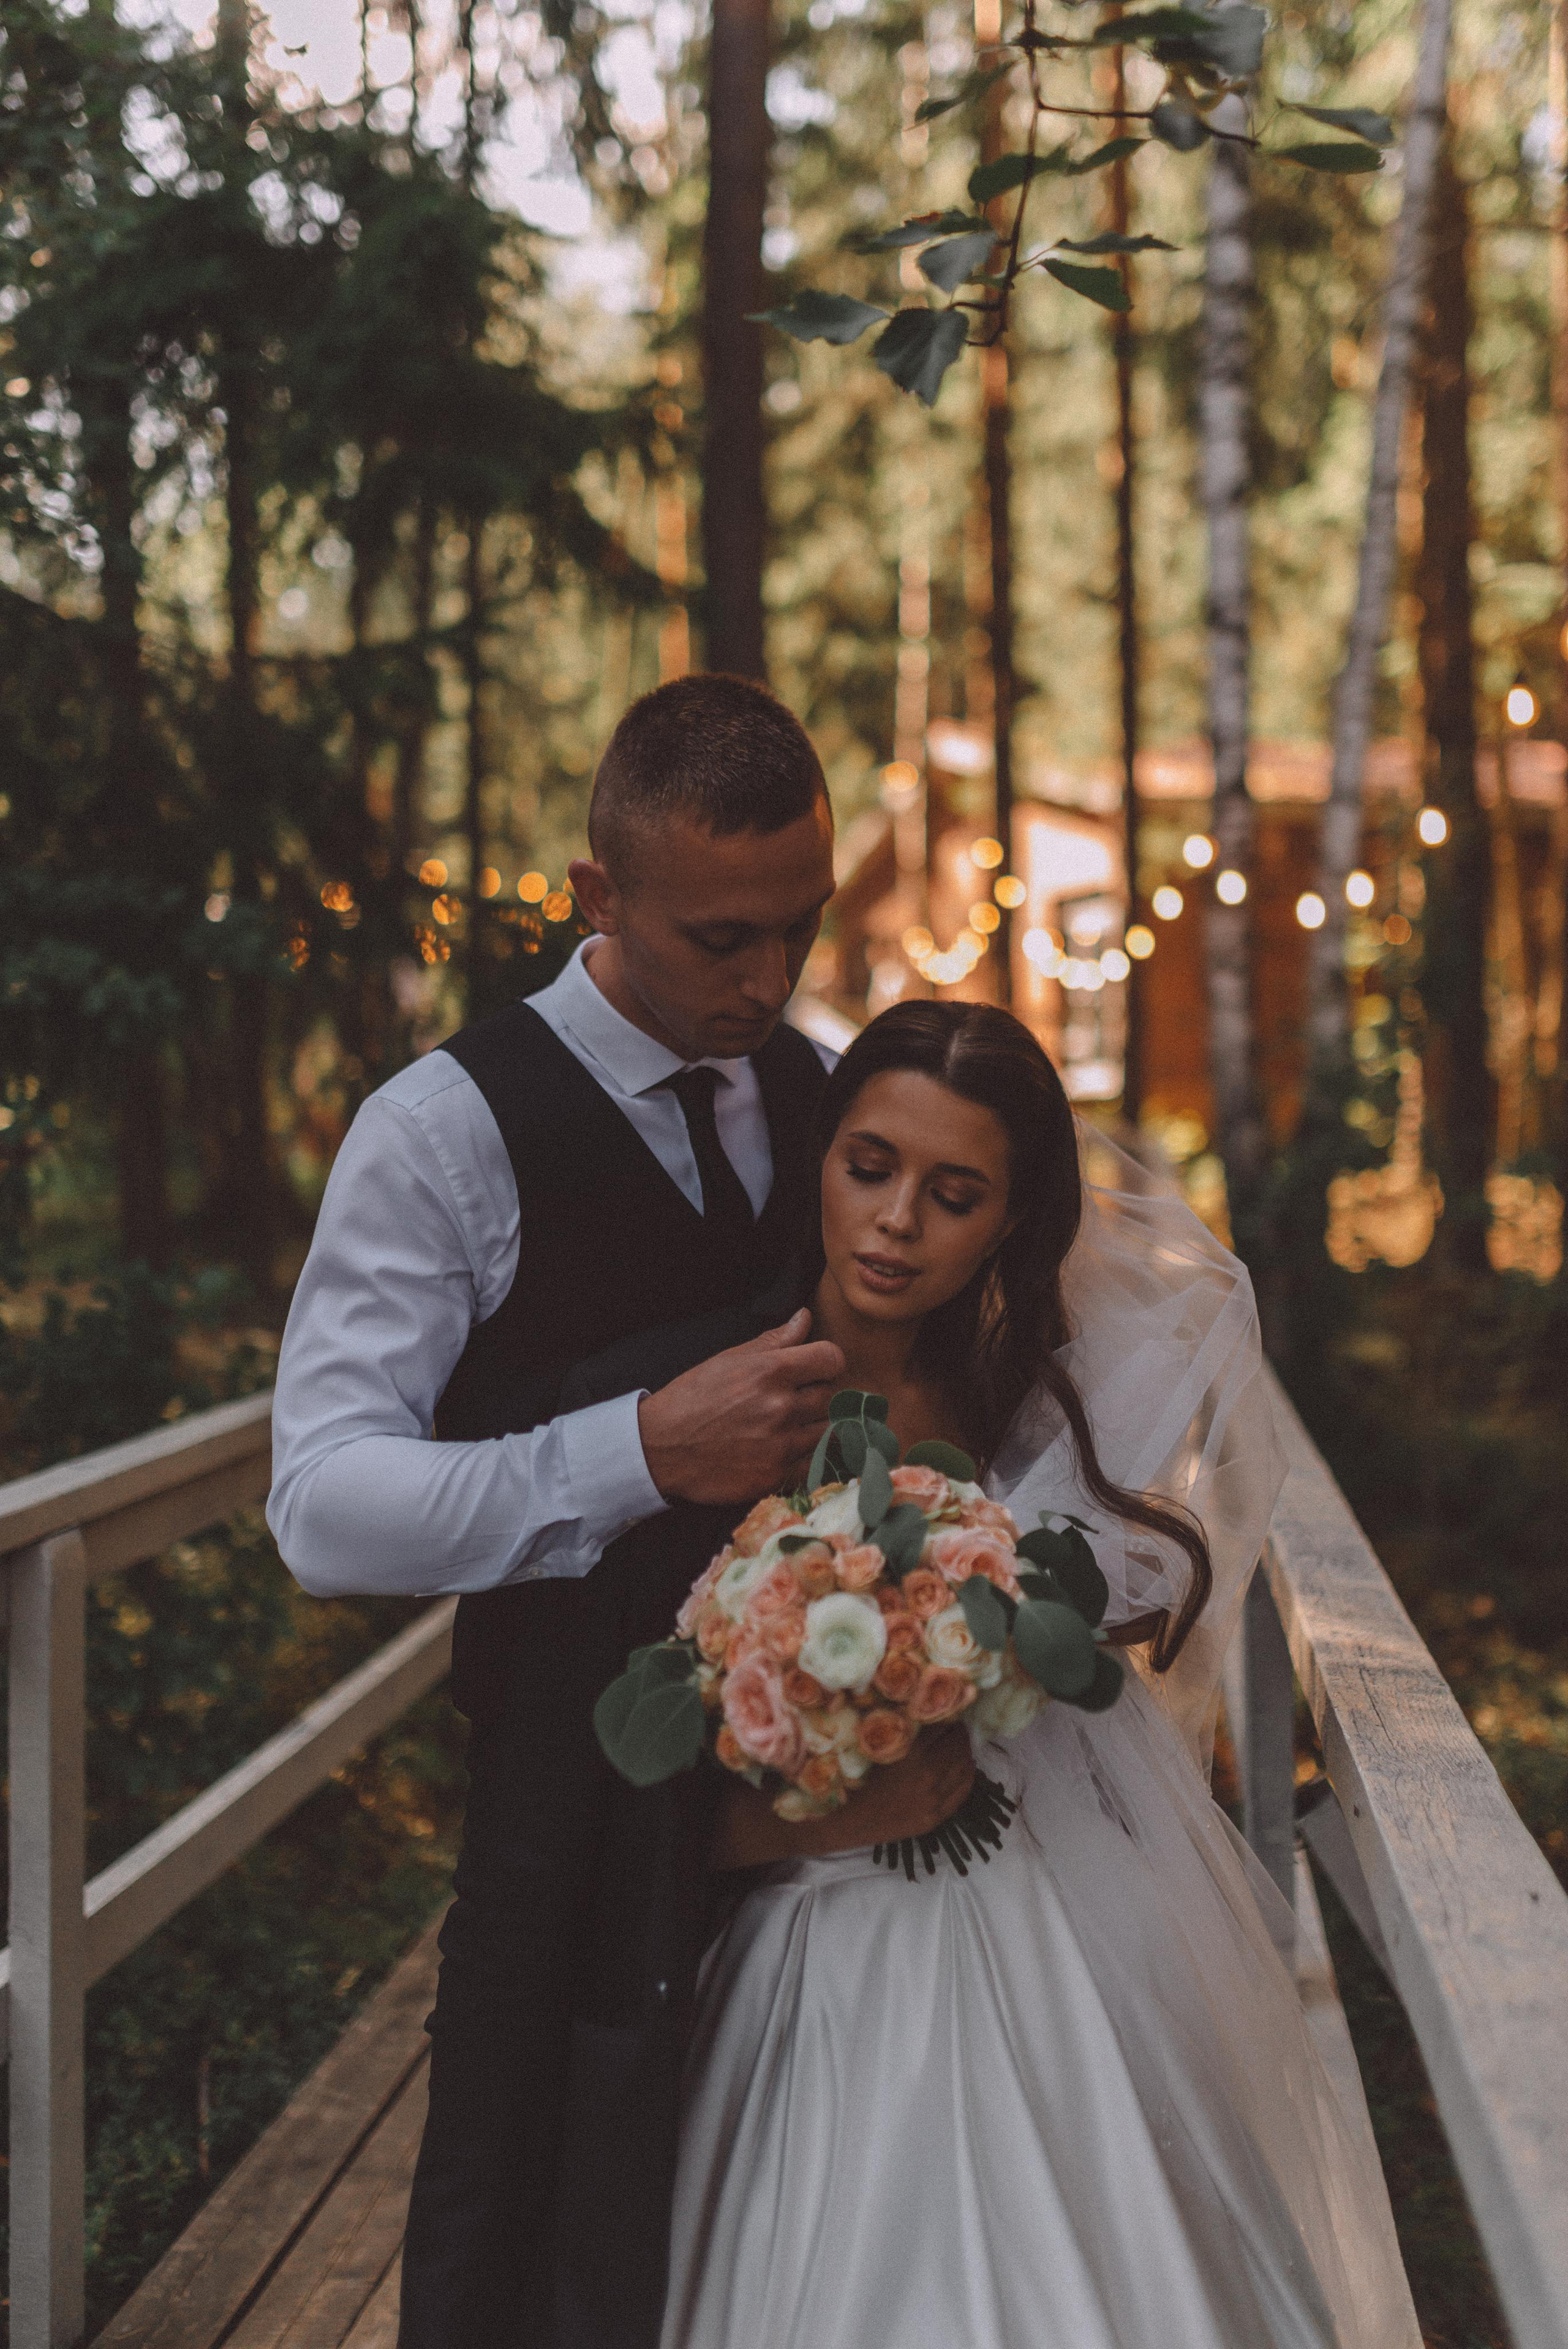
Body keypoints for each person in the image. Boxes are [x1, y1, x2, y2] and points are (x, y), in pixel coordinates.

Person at [590, 999, 1420, 2349]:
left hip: (1029, 1901)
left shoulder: (1018, 1414)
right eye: (869, 1167)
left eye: (954, 1194)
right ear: (819, 1156)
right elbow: (613, 1768)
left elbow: (1080, 1690)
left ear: (1010, 1221)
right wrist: (817, 1806)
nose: (895, 1222)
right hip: (799, 1927)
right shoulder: (714, 1398)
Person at [267, 674, 925, 2348]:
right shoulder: (439, 1134)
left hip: (812, 1806)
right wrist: (634, 1450)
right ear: (597, 895)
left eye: (800, 924)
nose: (768, 978)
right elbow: (323, 1505)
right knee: (526, 2222)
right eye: (721, 938)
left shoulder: (825, 1098)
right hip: (562, 1803)